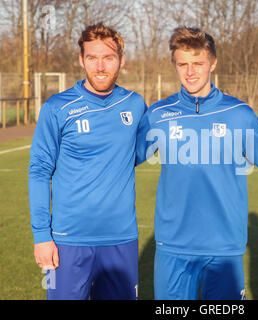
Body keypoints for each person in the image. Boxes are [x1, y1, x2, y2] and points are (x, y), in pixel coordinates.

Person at [136, 26, 258, 300]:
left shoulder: (240, 115)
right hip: (173, 247)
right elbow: (120, 160)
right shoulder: (158, 115)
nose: (190, 72)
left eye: (198, 63)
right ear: (174, 66)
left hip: (224, 249)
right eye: (182, 64)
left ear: (213, 62)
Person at [28, 22, 147, 300]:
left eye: (108, 57)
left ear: (121, 60)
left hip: (121, 240)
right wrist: (41, 236)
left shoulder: (134, 104)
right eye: (92, 58)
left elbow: (137, 153)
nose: (100, 66)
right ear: (81, 60)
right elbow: (38, 172)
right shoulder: (58, 107)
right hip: (67, 240)